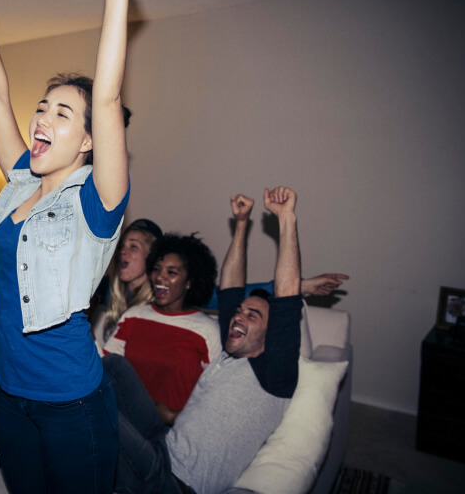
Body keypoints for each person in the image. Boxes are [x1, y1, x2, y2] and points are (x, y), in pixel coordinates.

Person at [0, 0, 148, 494]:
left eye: (61, 114)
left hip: (72, 402)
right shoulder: (19, 180)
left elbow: (108, 97)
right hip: (11, 397)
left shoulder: (97, 202)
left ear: (88, 141)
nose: (41, 118)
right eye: (42, 107)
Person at [106, 186, 304, 494]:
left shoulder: (273, 375)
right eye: (239, 311)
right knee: (115, 367)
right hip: (162, 444)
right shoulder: (229, 353)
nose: (238, 315)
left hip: (175, 482)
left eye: (252, 316)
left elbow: (288, 297)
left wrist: (286, 218)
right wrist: (241, 225)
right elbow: (230, 289)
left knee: (94, 410)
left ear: (272, 334)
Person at [103, 233, 221, 426]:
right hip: (124, 423)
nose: (160, 277)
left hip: (171, 434)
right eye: (156, 270)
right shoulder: (134, 315)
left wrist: (176, 417)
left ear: (190, 282)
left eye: (172, 272)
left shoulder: (207, 331)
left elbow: (215, 394)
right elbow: (107, 368)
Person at [89, 218, 163, 348]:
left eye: (133, 246)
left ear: (152, 255)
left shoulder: (161, 301)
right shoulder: (106, 290)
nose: (123, 251)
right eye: (121, 246)